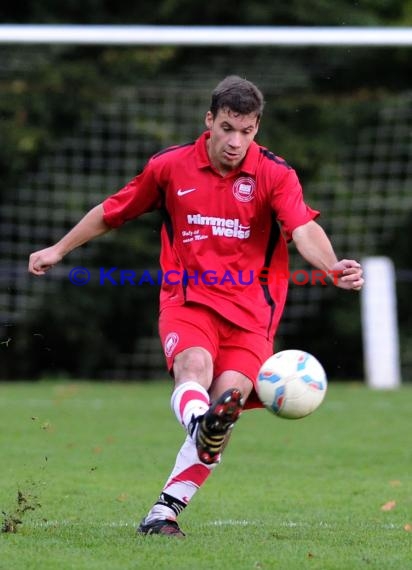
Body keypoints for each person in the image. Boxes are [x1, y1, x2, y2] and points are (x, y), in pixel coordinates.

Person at [28, 75, 364, 538]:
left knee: (225, 398)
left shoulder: (275, 173)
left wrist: (330, 267)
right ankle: (200, 425)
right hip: (189, 300)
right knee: (194, 368)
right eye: (228, 128)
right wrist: (58, 250)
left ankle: (163, 512)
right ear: (210, 121)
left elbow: (303, 228)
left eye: (246, 132)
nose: (235, 142)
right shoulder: (170, 167)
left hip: (253, 316)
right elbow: (113, 210)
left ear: (257, 129)